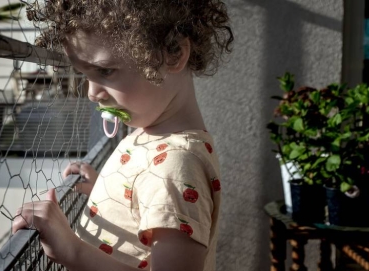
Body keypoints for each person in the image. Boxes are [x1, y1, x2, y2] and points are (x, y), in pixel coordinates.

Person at [12, 1, 233, 270]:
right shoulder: (152, 137)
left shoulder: (176, 167)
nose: (92, 92)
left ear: (173, 53)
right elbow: (150, 203)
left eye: (105, 71)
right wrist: (110, 191)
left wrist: (71, 250)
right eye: (84, 74)